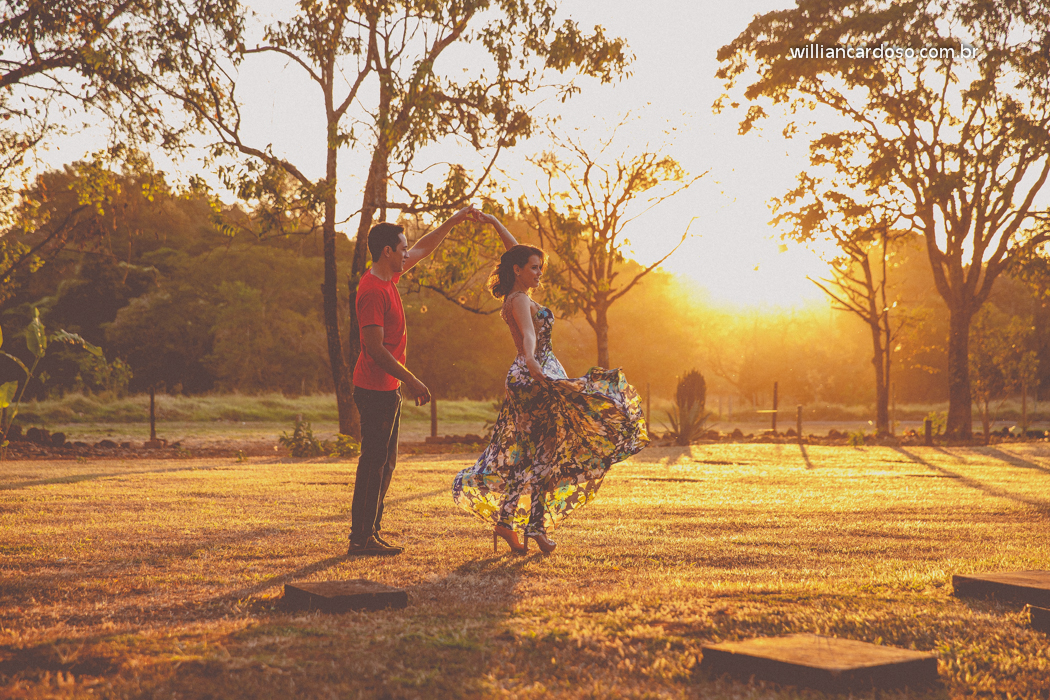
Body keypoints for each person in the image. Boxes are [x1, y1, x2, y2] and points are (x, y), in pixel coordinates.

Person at [452, 212, 649, 554]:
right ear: (518, 270)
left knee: (528, 452)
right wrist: (531, 360)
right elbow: (529, 335)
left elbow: (515, 253)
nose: (539, 272)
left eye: (540, 267)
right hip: (534, 375)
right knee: (546, 452)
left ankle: (509, 522)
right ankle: (535, 528)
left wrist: (495, 222)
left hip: (528, 375)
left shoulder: (516, 293)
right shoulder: (521, 300)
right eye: (534, 268)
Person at [348, 206, 477, 556]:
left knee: (385, 464)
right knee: (373, 464)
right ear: (387, 251)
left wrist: (454, 220)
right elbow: (374, 349)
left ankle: (370, 532)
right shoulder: (372, 290)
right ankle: (360, 538)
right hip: (374, 389)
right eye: (402, 248)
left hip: (387, 389)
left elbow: (424, 248)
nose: (408, 253)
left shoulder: (389, 278)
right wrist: (412, 380)